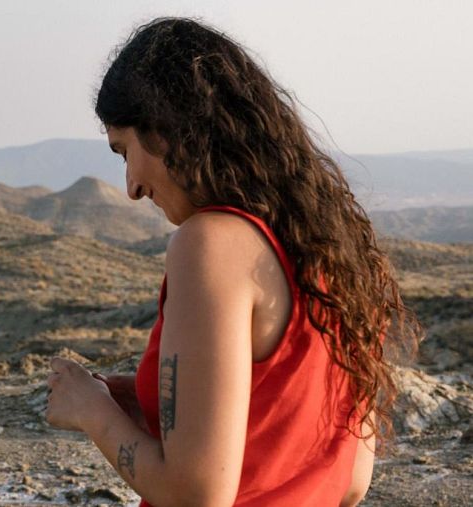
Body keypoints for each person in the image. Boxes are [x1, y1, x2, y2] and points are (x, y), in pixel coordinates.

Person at [45, 18, 419, 507]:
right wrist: (150, 403)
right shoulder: (334, 255)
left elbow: (196, 495)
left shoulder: (210, 244)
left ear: (165, 128)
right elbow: (351, 481)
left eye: (124, 151)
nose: (132, 187)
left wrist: (91, 411)